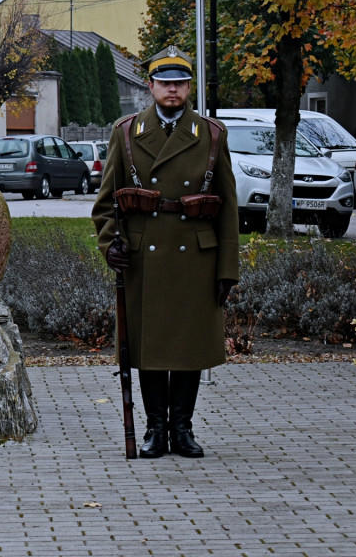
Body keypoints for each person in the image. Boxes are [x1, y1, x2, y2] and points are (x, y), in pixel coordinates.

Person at [91, 46, 239, 459]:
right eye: (164, 83)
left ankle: (183, 429)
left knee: (188, 346)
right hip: (145, 258)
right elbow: (105, 205)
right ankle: (156, 429)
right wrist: (110, 244)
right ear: (151, 86)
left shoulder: (211, 134)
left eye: (180, 83)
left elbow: (227, 207)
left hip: (196, 256)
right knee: (151, 348)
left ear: (189, 87)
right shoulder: (126, 133)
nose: (172, 90)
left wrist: (228, 268)